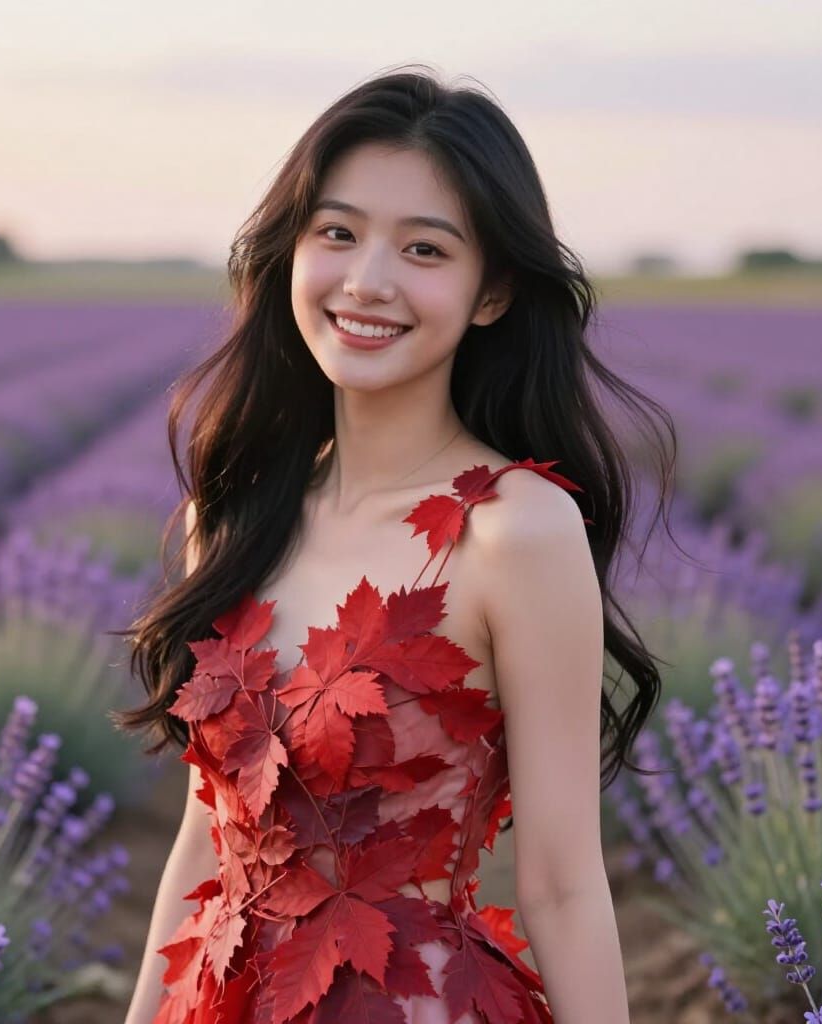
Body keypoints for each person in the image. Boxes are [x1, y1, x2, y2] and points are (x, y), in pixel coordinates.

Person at [116, 63, 674, 1023]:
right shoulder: (237, 509)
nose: (366, 282)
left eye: (424, 249)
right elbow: (210, 835)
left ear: (492, 292)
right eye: (337, 233)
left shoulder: (515, 530)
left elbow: (561, 884)